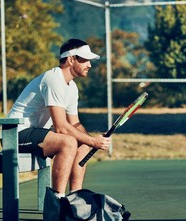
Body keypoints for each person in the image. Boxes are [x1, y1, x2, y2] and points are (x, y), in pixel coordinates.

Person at [7, 38, 111, 198]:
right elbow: (61, 127)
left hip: (36, 133)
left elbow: (74, 123)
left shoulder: (72, 87)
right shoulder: (53, 79)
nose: (89, 65)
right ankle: (57, 202)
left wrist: (90, 140)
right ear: (71, 59)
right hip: (15, 134)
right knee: (68, 142)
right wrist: (92, 141)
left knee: (82, 145)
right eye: (85, 60)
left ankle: (75, 199)